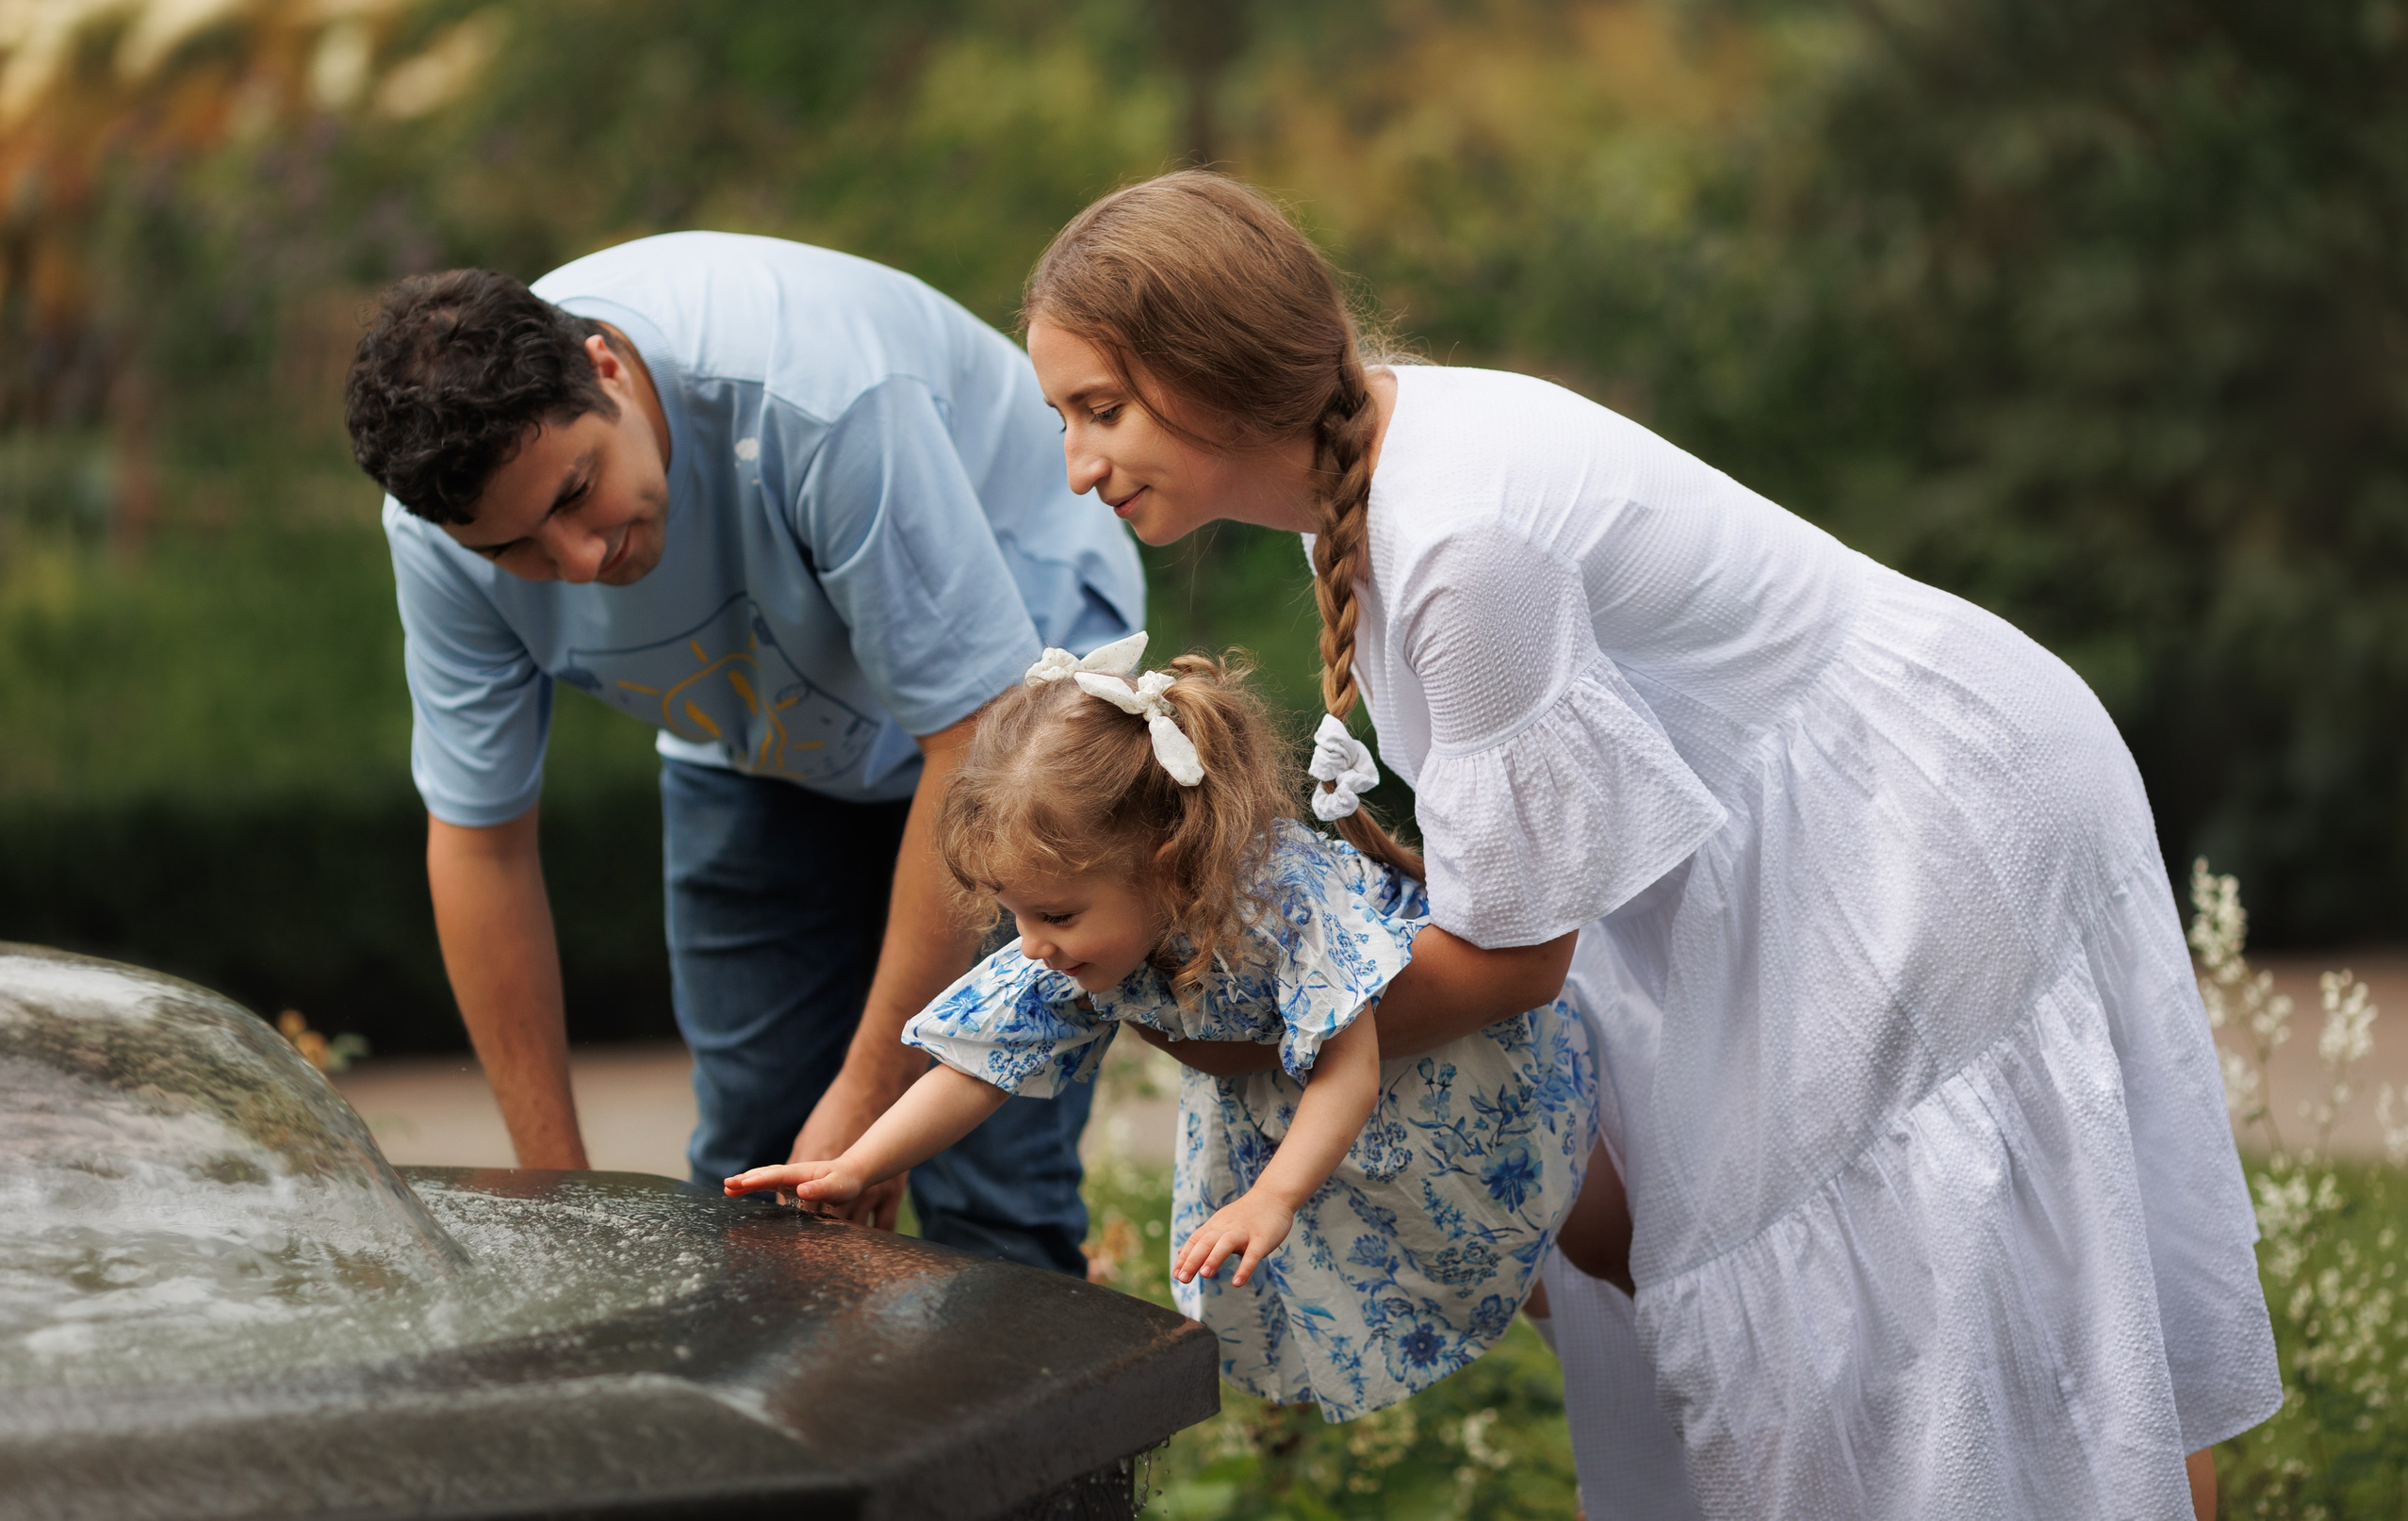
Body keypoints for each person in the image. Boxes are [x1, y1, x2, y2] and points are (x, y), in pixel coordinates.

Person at [1011, 172, 2280, 1519]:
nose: (1082, 465)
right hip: (1779, 833)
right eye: (1062, 418)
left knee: (1975, 1288)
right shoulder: (1369, 480)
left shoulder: (1458, 543)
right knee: (1796, 1278)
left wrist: (1222, 1023)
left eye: (1105, 408)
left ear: (1221, 364)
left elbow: (1510, 966)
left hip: (1918, 815)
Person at [342, 232, 1143, 1276]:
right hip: (763, 731)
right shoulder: (440, 539)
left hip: (1021, 722)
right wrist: (561, 1197)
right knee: (750, 1186)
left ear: (606, 368)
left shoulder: (819, 397)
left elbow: (972, 742)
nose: (579, 562)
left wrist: (872, 1094)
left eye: (575, 493)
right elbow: (480, 841)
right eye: (517, 551)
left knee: (983, 1189)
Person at [728, 631, 1595, 1420]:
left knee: (1544, 1241)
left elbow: (1347, 1069)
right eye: (1014, 914)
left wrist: (1272, 1196)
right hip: (1316, 1122)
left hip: (1443, 1085)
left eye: (1055, 914)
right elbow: (979, 1064)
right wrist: (859, 1166)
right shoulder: (1079, 933)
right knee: (1433, 1267)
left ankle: (1630, 1384)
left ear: (1167, 864)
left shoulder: (1281, 903)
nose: (1033, 945)